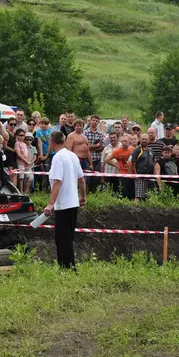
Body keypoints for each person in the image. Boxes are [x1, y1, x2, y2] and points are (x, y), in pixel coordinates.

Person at [43, 131, 87, 270]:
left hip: (63, 204)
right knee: (68, 236)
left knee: (62, 238)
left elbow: (57, 181)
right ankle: (65, 265)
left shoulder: (58, 158)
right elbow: (81, 179)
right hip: (73, 202)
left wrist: (51, 204)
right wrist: (83, 196)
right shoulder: (73, 156)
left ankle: (67, 267)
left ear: (52, 142)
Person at [127, 133, 155, 202]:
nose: (144, 140)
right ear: (140, 140)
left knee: (149, 196)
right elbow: (130, 162)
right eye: (143, 139)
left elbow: (154, 162)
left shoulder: (151, 150)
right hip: (140, 176)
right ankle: (134, 210)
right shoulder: (137, 150)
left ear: (148, 140)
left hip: (149, 177)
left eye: (145, 139)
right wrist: (131, 174)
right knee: (138, 196)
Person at [106, 134, 135, 199]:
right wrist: (116, 165)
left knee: (132, 193)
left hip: (133, 173)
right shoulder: (117, 151)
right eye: (123, 141)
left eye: (126, 141)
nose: (124, 143)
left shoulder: (133, 149)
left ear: (129, 141)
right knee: (124, 192)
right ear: (121, 142)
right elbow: (107, 159)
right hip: (123, 174)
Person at [84, 115, 104, 192]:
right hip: (87, 159)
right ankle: (86, 194)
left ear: (98, 122)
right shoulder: (85, 132)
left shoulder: (100, 133)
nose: (95, 122)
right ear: (90, 121)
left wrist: (92, 147)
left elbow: (101, 147)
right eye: (94, 120)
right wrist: (96, 146)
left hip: (97, 159)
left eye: (96, 121)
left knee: (96, 178)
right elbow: (85, 147)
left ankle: (94, 194)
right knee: (87, 179)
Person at [2, 118, 18, 186]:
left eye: (14, 124)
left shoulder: (15, 133)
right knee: (10, 173)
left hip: (14, 155)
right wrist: (14, 150)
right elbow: (4, 146)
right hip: (8, 155)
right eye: (11, 124)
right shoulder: (6, 133)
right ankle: (11, 188)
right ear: (8, 124)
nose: (13, 126)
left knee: (15, 173)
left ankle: (15, 189)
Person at [14, 129, 30, 193]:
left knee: (27, 177)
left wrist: (28, 161)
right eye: (20, 135)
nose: (22, 137)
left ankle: (25, 191)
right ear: (17, 136)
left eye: (23, 135)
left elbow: (28, 153)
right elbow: (18, 154)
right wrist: (26, 161)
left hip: (26, 163)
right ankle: (21, 191)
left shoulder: (24, 144)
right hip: (20, 162)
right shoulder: (17, 143)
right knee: (21, 177)